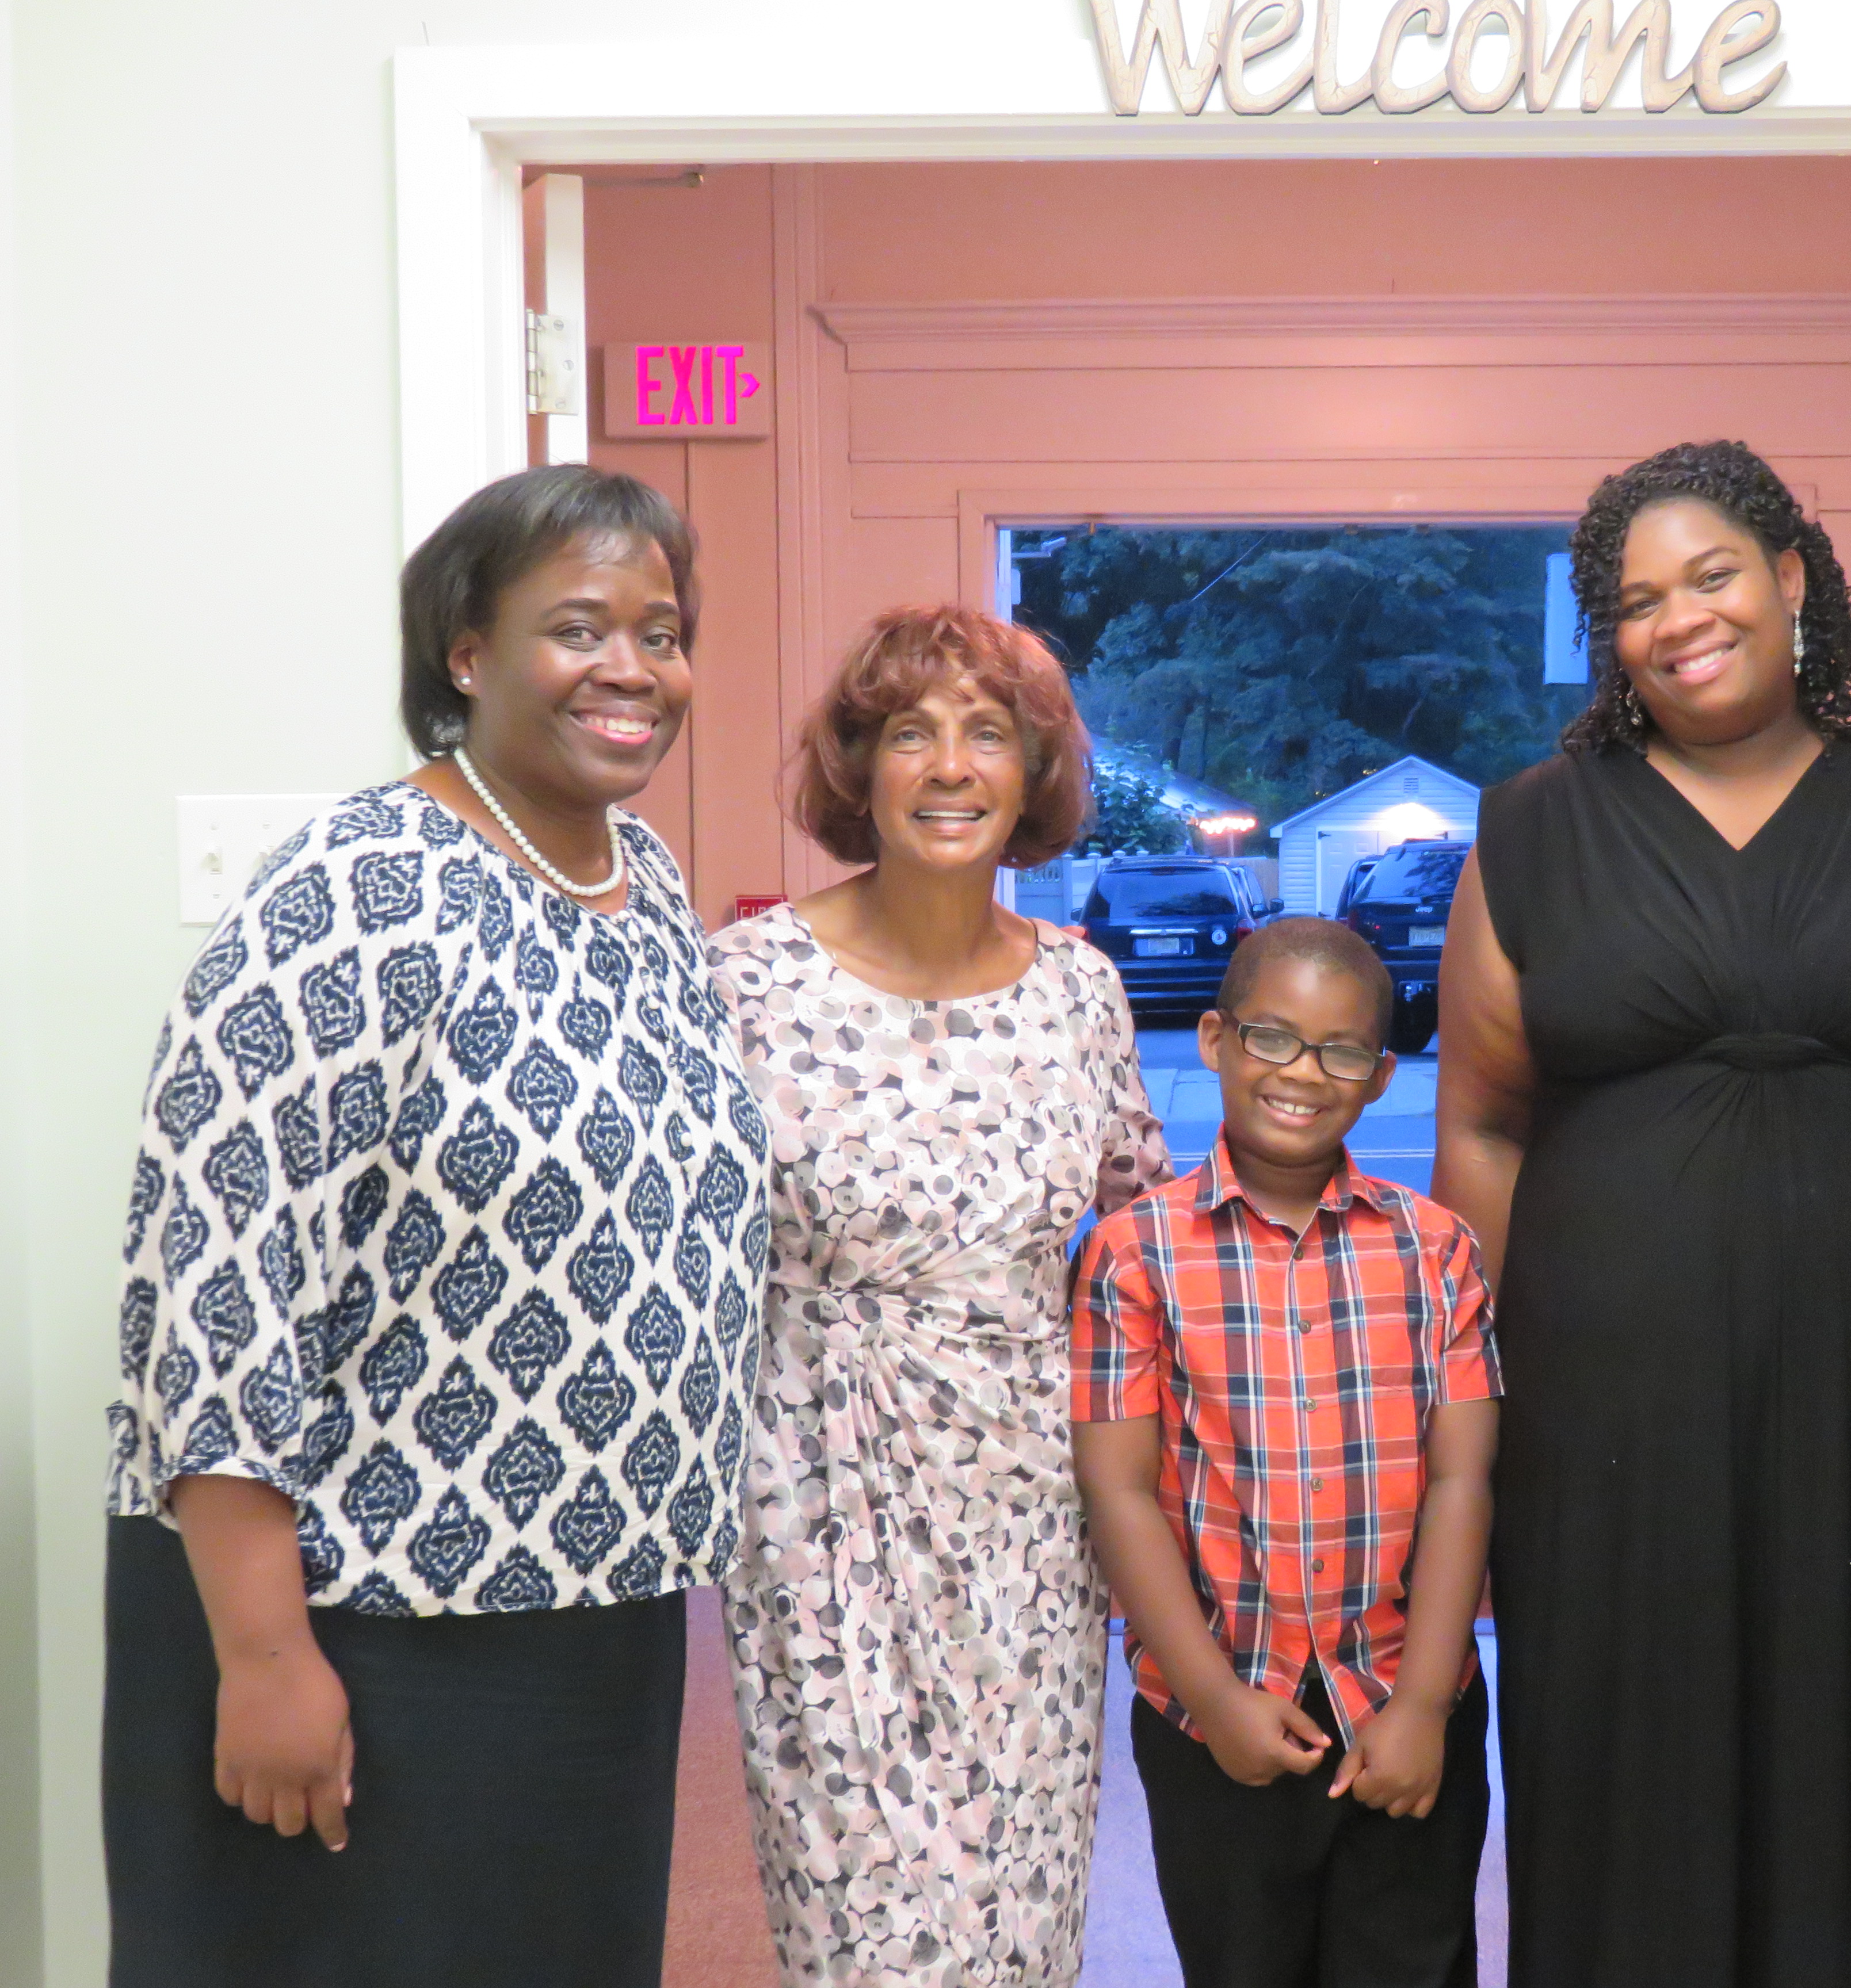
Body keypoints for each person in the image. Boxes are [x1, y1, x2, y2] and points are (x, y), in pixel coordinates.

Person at [100, 464, 771, 1987]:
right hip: (363, 1625)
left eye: (661, 633)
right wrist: (267, 1658)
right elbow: (214, 1282)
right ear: (466, 652)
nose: (632, 669)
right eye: (579, 628)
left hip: (596, 1619)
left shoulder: (644, 885)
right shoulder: (356, 889)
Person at [1433, 438, 1851, 1987]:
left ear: (1793, 579)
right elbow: (1482, 1129)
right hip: (1606, 1416)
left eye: (1711, 576)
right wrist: (1472, 1422)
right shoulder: (1533, 828)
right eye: (1636, 601)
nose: (1679, 620)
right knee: (1629, 1766)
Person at [705, 605, 1167, 1988]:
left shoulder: (1080, 992)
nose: (952, 766)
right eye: (911, 733)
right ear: (861, 771)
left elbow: (1143, 1239)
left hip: (1031, 1522)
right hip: (818, 1512)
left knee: (1021, 1911)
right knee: (863, 1926)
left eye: (989, 734)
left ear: (1035, 774)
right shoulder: (741, 983)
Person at [1073, 918, 1503, 1988]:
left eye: (1342, 1051)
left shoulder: (1437, 1249)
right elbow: (1119, 1491)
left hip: (1403, 1709)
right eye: (1272, 1038)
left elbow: (1462, 1480)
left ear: (1382, 1075)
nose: (1303, 1074)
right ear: (1215, 1039)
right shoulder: (1134, 1255)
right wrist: (1213, 1699)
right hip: (1214, 1714)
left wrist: (1423, 1706)